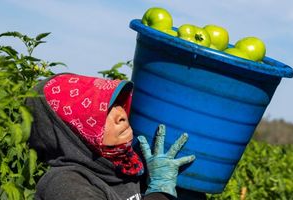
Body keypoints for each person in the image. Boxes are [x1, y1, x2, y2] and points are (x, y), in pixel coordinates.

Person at [26, 73, 195, 199]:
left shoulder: (128, 169)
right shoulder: (65, 185)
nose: (121, 115)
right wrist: (160, 192)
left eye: (117, 104)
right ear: (72, 134)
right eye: (101, 112)